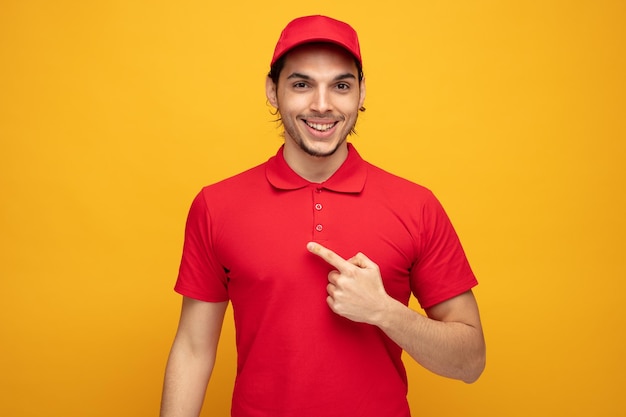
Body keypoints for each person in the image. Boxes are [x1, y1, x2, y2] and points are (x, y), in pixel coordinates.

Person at [160, 15, 486, 417]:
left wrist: (384, 311)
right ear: (272, 90)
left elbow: (470, 362)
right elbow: (193, 349)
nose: (322, 104)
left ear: (362, 93)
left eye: (341, 85)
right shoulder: (216, 205)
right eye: (301, 84)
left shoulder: (416, 206)